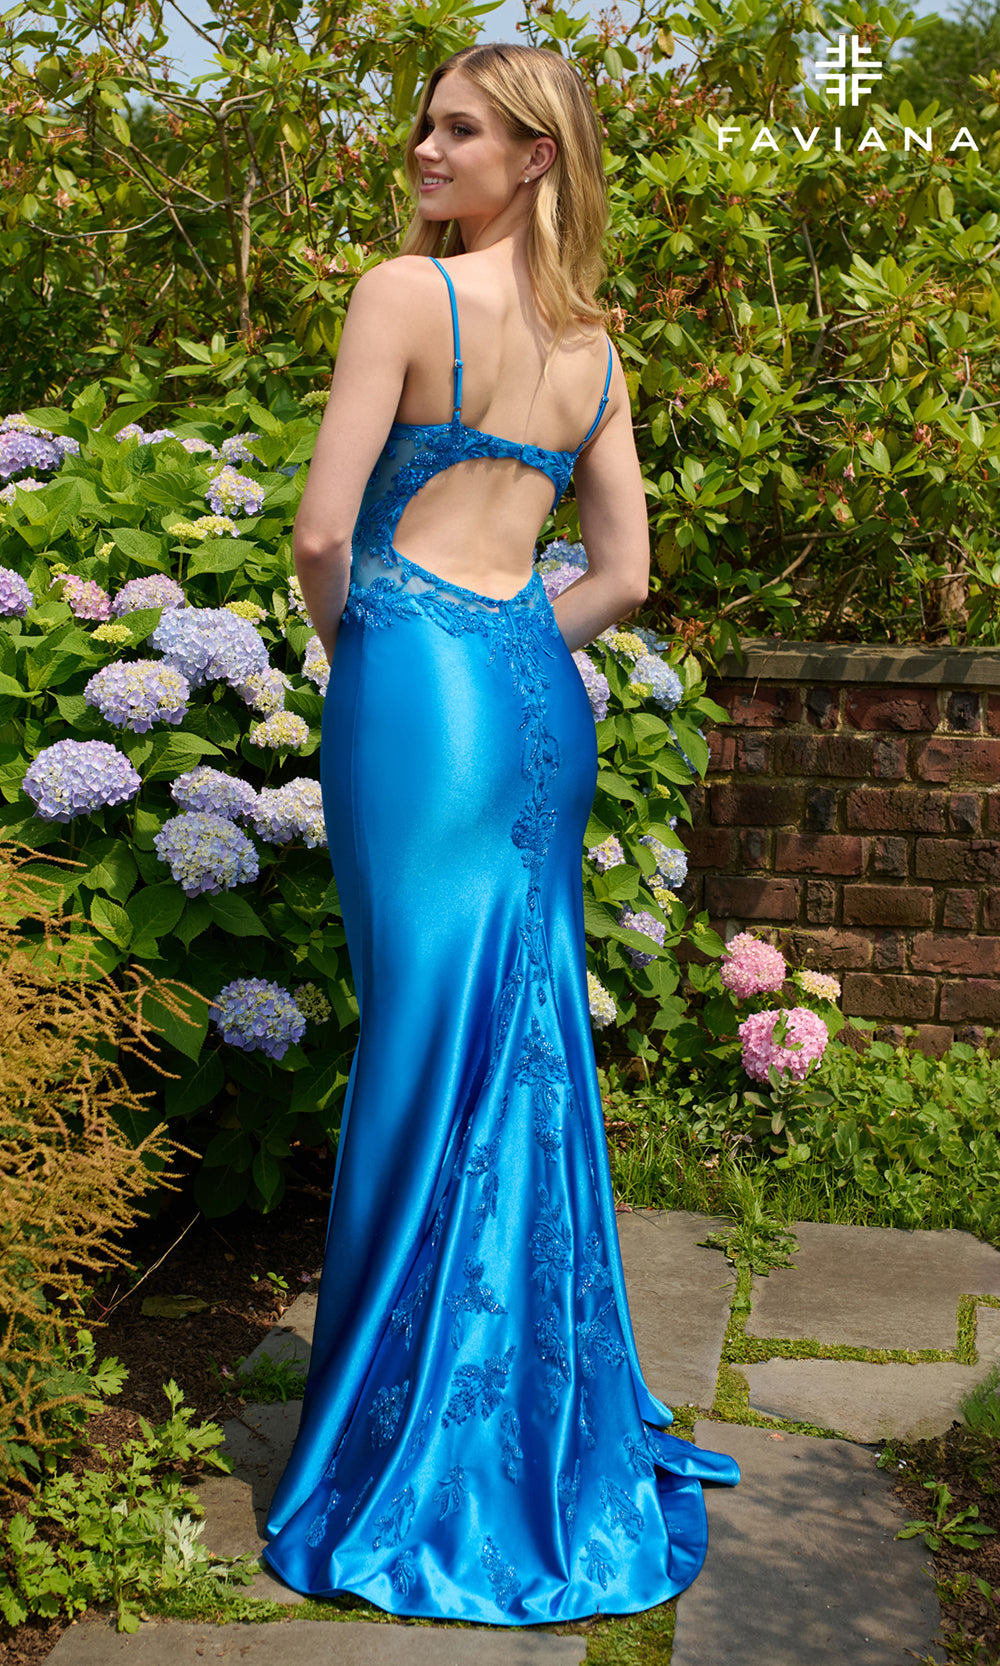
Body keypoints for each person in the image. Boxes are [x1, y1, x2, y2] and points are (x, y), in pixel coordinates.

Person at [263, 41, 739, 1624]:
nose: (423, 146)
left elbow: (325, 530)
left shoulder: (404, 294)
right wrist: (511, 633)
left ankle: (395, 1438)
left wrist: (374, 650)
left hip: (416, 686)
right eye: (425, 122)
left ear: (534, 156)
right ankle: (523, 1404)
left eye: (458, 128)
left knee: (418, 1033)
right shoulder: (593, 348)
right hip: (538, 695)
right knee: (517, 1040)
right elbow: (624, 573)